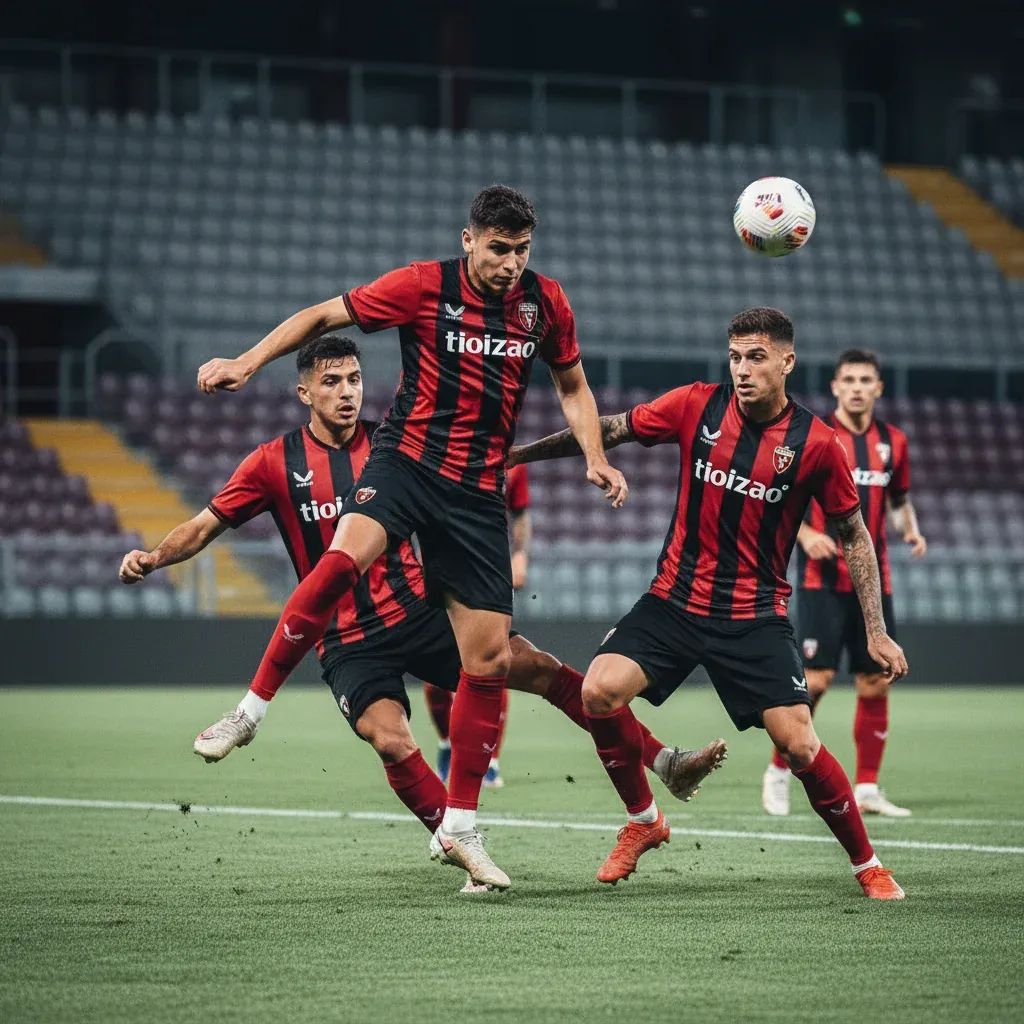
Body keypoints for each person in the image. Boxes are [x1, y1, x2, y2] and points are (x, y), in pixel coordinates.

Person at [194, 185, 628, 890]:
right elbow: (321, 315)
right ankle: (249, 712)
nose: (511, 264)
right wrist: (247, 362)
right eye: (498, 249)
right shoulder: (424, 286)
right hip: (409, 463)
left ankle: (461, 822)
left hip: (476, 491)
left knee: (489, 660)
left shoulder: (545, 303)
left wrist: (594, 455)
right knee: (342, 559)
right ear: (469, 241)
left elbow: (573, 387)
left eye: (521, 250)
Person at [509, 308, 909, 901]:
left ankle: (867, 864)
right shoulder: (697, 404)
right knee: (598, 690)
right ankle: (643, 821)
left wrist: (875, 630)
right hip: (673, 600)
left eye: (756, 358)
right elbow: (610, 427)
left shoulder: (817, 444)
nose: (742, 370)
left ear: (786, 362)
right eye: (736, 357)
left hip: (754, 616)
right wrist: (515, 457)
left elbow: (854, 534)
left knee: (799, 744)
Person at [761, 349, 926, 818]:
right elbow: (781, 500)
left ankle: (869, 786)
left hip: (873, 583)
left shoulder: (894, 442)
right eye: (848, 379)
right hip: (821, 580)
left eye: (865, 380)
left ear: (878, 388)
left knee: (876, 681)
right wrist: (810, 535)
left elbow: (898, 500)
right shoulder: (814, 437)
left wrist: (909, 528)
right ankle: (778, 769)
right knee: (816, 680)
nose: (856, 387)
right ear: (835, 387)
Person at [425, 461, 531, 789]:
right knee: (435, 674)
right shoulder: (435, 451)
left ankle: (490, 759)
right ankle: (446, 743)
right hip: (443, 570)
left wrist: (520, 556)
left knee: (493, 663)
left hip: (491, 570)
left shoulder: (512, 462)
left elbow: (521, 513)